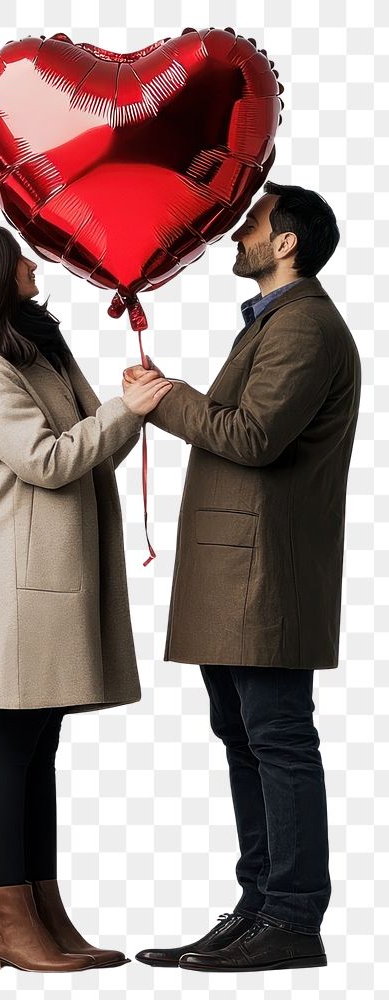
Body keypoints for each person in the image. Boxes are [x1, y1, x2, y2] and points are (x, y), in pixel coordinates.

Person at [0, 225, 173, 974]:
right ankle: (8, 924)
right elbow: (49, 461)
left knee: (38, 750)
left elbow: (104, 439)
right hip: (11, 591)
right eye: (19, 254)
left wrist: (130, 405)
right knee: (11, 748)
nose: (35, 261)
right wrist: (125, 411)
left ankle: (43, 915)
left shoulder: (38, 348)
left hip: (51, 581)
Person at [125, 180, 361, 972]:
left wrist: (165, 400)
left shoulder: (306, 326)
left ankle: (293, 917)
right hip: (237, 576)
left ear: (286, 243)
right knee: (246, 739)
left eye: (252, 223)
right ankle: (259, 905)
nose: (236, 231)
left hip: (264, 577)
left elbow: (253, 437)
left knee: (277, 739)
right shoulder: (273, 323)